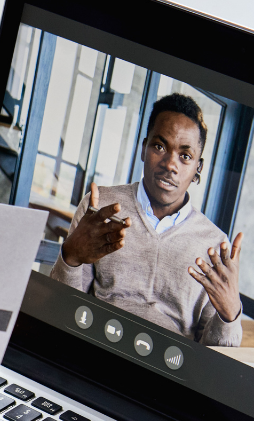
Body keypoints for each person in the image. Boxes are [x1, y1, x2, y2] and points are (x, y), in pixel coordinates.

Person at [50, 93, 244, 347]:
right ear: (144, 148)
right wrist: (71, 257)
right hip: (94, 347)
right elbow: (61, 308)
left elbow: (213, 359)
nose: (170, 164)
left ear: (198, 168)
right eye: (160, 147)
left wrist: (230, 315)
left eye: (185, 156)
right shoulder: (99, 208)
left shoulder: (215, 245)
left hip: (169, 370)